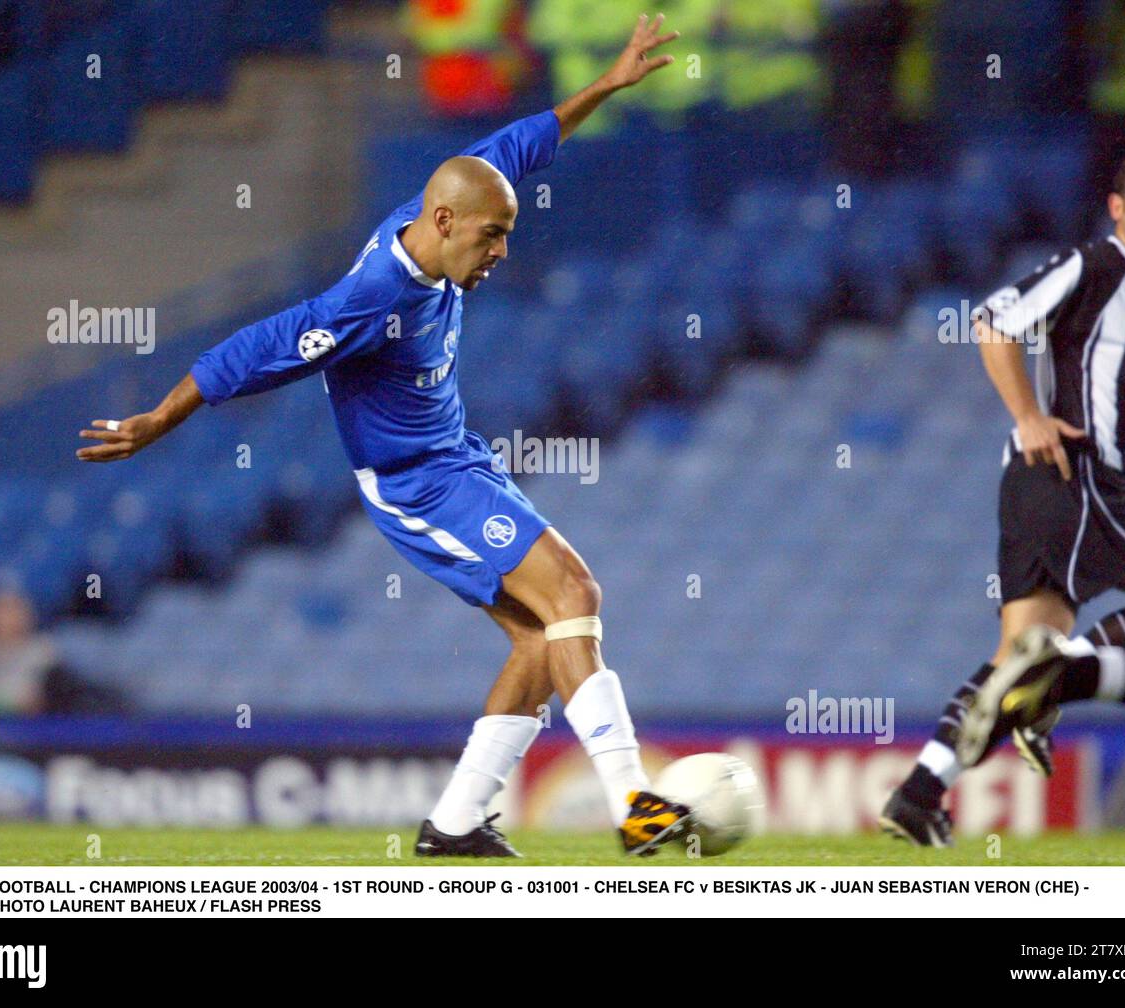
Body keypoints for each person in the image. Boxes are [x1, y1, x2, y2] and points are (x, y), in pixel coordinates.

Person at [77, 14, 693, 857]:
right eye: (490, 236)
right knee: (575, 595)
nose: (502, 251)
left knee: (541, 638)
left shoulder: (445, 205)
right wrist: (156, 419)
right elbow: (259, 348)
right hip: (416, 483)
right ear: (443, 222)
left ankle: (452, 827)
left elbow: (522, 141)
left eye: (507, 234)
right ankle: (638, 805)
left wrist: (607, 84)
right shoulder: (372, 300)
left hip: (458, 458)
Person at [881, 145, 1125, 846]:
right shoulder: (1094, 265)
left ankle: (919, 792)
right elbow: (993, 321)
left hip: (1044, 494)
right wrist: (1027, 413)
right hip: (1078, 474)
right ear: (1119, 207)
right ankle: (1075, 673)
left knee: (1015, 660)